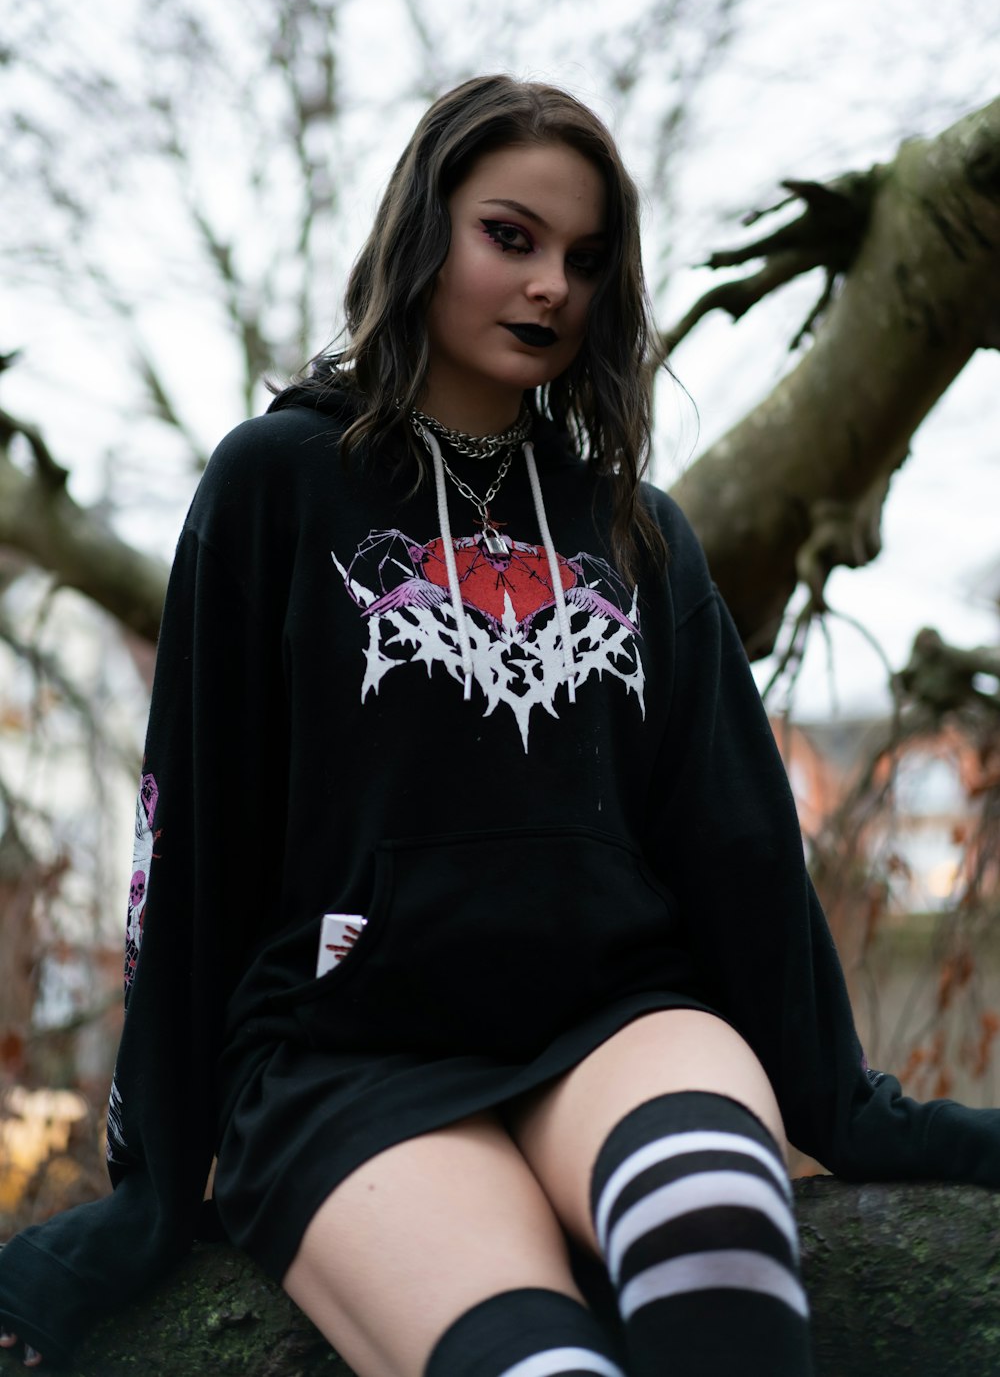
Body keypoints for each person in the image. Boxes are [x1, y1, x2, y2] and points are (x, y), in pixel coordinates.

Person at [2, 75, 999, 1377]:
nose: (549, 287)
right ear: (425, 233)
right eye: (510, 237)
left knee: (717, 1262)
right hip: (348, 1054)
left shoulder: (636, 531)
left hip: (620, 1020)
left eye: (584, 261)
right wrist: (153, 1173)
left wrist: (850, 1110)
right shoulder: (278, 485)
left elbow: (738, 844)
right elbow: (192, 834)